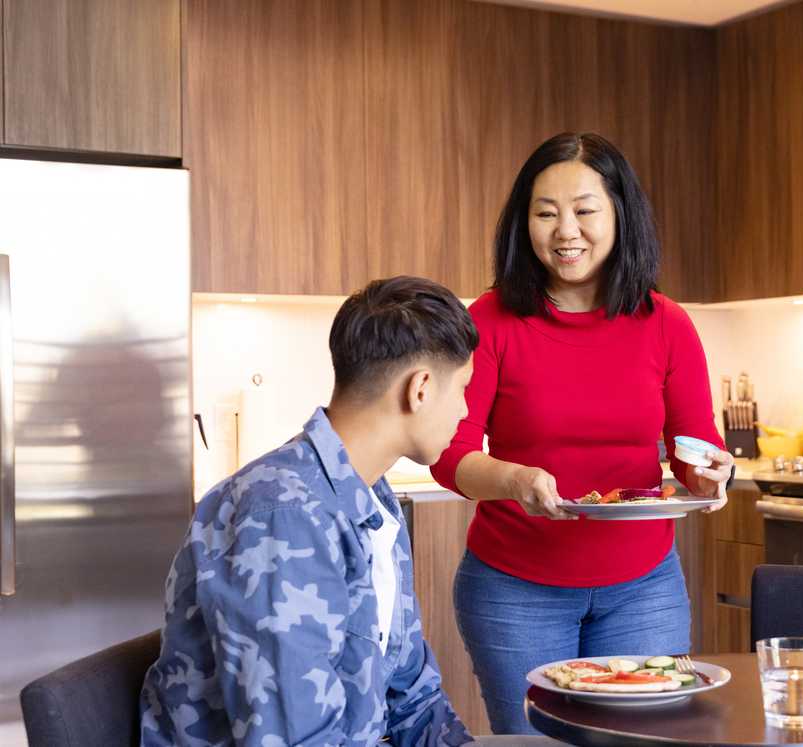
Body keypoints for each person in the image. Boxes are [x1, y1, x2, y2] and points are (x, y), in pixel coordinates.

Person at [430, 132, 736, 734]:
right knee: (535, 742)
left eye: (584, 210)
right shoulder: (490, 321)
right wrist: (515, 479)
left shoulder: (667, 324)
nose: (565, 231)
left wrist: (709, 472)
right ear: (525, 224)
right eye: (545, 213)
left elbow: (694, 445)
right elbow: (450, 454)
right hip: (515, 591)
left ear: (620, 213)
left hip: (643, 590)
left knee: (650, 740)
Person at [140, 276, 479, 746]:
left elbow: (413, 701)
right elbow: (293, 738)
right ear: (420, 389)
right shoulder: (282, 517)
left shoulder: (375, 504)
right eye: (463, 387)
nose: (465, 411)